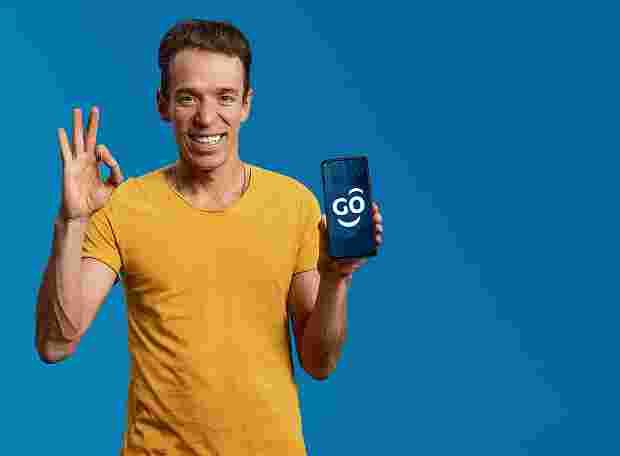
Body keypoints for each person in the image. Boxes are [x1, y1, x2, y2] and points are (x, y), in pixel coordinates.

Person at [34, 19, 384, 455]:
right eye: (188, 97)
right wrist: (71, 221)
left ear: (246, 105)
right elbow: (55, 343)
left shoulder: (294, 204)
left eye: (225, 97)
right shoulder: (123, 207)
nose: (206, 117)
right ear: (162, 104)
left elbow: (319, 362)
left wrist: (335, 278)